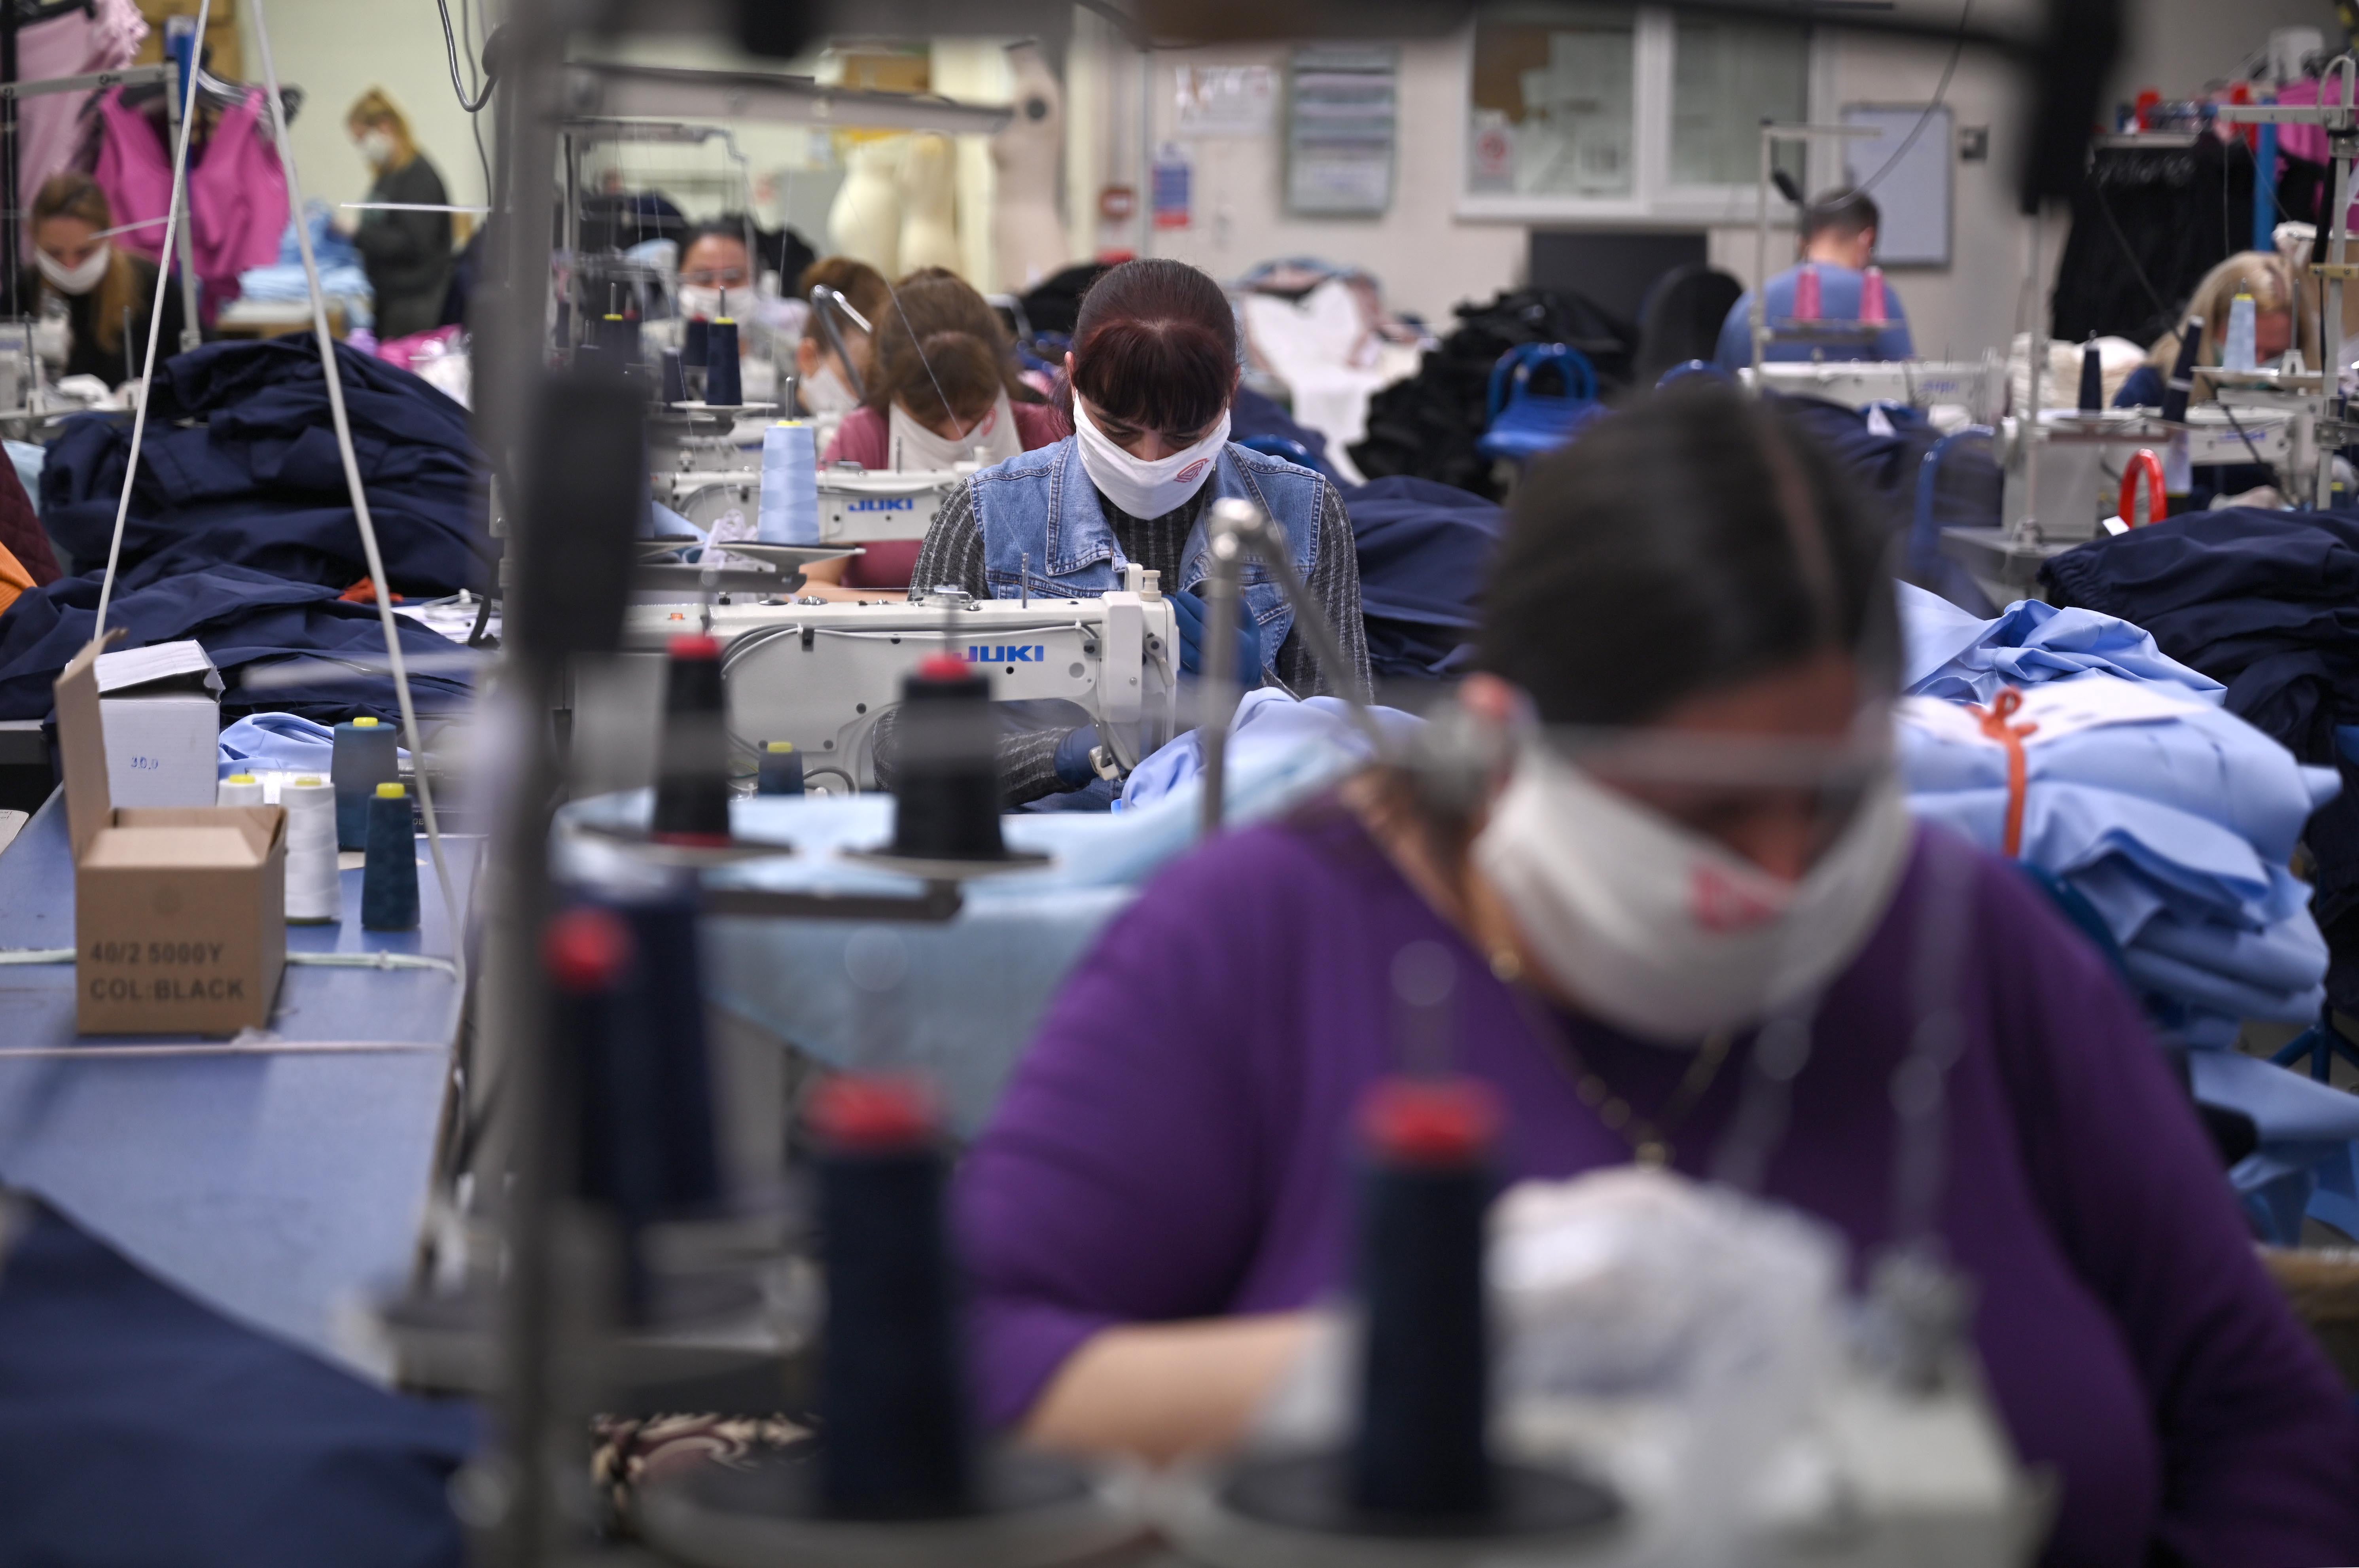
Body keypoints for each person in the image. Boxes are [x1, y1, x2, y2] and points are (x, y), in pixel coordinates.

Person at [954, 383, 2359, 1565]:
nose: (1781, 868)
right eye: (1703, 813)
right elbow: (954, 1376)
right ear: (1498, 746)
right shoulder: (1266, 940)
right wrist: (1395, 1362)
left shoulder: (1966, 945)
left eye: (1831, 795)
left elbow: (2262, 1419)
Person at [889, 257, 1371, 807]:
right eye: (1119, 432)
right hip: (1047, 853)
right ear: (1072, 378)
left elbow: (1356, 757)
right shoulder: (986, 514)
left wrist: (1256, 699)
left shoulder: (1300, 512)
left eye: (1183, 436)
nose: (1149, 460)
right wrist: (1071, 754)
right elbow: (900, 745)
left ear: (1232, 392)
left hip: (1224, 843)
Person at [1714, 186, 1913, 369]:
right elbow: (1908, 391)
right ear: (1867, 240)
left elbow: (1723, 389)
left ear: (1801, 243)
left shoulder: (1750, 304)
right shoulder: (1878, 300)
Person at [28, 172, 186, 386]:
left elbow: (200, 372)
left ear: (109, 235)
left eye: (84, 252)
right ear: (35, 241)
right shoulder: (23, 290)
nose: (70, 266)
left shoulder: (153, 286)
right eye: (55, 253)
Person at [2114, 250, 2315, 409]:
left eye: (2275, 353)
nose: (2260, 363)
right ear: (2209, 325)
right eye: (2249, 350)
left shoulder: (2324, 401)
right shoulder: (2152, 389)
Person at [345, 90, 452, 342]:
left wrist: (357, 233)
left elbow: (412, 244)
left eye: (362, 140)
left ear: (385, 127)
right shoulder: (389, 176)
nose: (362, 149)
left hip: (415, 302)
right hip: (390, 297)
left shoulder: (418, 178)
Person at [791, 255, 890, 425]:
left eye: (876, 384)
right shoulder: (760, 435)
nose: (867, 398)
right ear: (808, 357)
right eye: (857, 376)